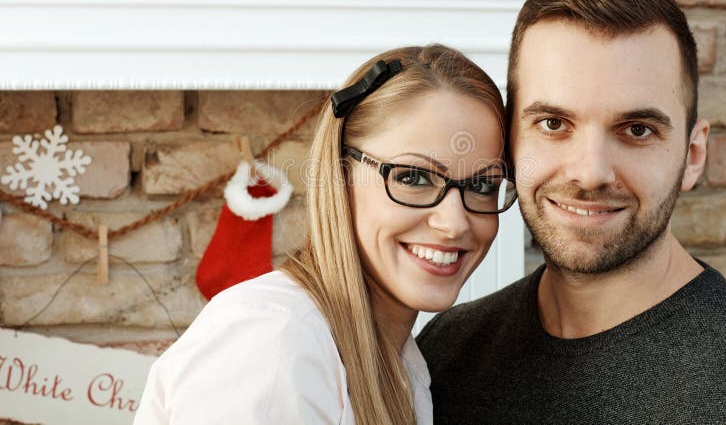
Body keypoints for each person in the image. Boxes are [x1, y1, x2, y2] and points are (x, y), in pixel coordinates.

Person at [417, 0, 726, 423]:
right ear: (508, 141)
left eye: (637, 130)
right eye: (553, 124)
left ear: (693, 155)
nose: (591, 173)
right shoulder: (447, 349)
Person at [133, 45, 517, 424]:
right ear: (340, 175)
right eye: (412, 177)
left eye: (483, 186)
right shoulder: (275, 341)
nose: (455, 223)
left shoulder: (400, 364)